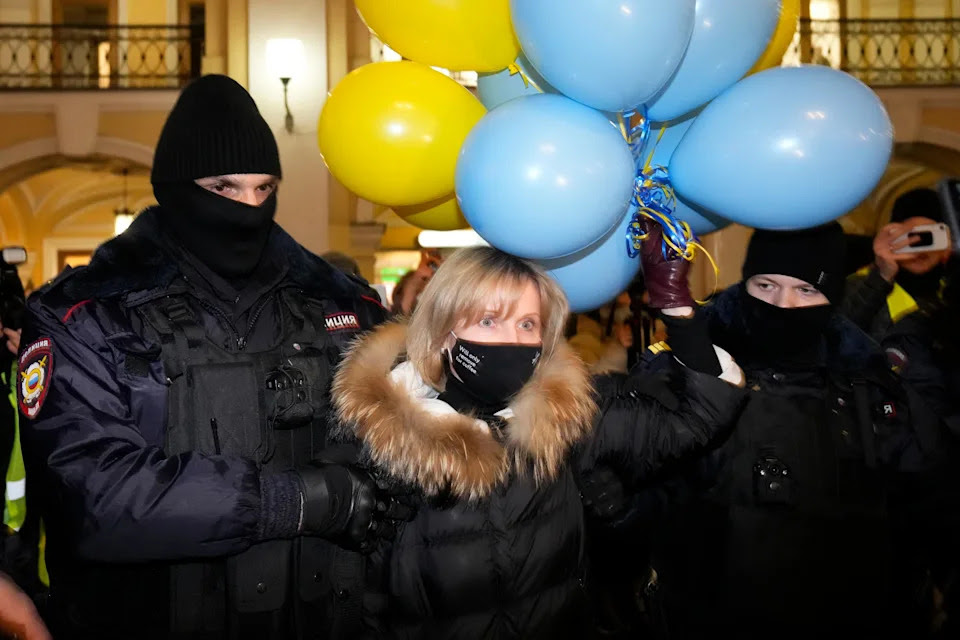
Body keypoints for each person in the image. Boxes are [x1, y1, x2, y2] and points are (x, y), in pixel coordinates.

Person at [18, 75, 405, 639]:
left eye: (263, 188)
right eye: (225, 187)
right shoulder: (85, 315)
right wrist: (297, 502)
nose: (248, 208)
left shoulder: (344, 304)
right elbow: (94, 497)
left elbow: (403, 450)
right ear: (177, 188)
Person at [327, 225, 747, 639]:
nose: (512, 340)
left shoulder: (569, 418)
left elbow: (698, 418)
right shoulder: (381, 443)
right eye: (489, 321)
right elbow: (361, 604)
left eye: (528, 324)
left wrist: (675, 307)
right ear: (442, 334)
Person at [637, 223, 946, 638]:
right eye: (766, 285)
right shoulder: (690, 366)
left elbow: (922, 506)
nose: (782, 304)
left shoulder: (867, 382)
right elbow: (643, 491)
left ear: (831, 297)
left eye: (806, 290)